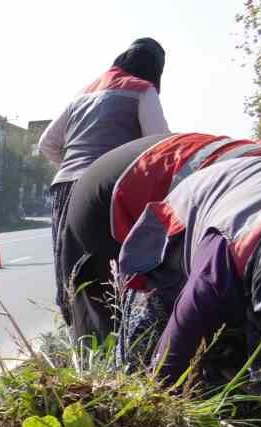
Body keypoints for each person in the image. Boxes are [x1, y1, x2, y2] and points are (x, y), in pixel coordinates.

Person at [117, 153, 261, 397]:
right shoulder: (216, 274)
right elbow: (167, 371)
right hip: (194, 213)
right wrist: (156, 407)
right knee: (146, 365)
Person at [60, 133, 261, 342]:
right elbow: (191, 312)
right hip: (115, 186)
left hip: (176, 162)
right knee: (109, 329)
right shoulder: (231, 241)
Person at [39, 38, 170, 325]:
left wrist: (75, 167)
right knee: (113, 277)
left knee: (70, 273)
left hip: (65, 188)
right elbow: (159, 146)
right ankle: (119, 344)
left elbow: (47, 143)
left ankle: (78, 343)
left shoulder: (83, 93)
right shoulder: (142, 90)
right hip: (108, 190)